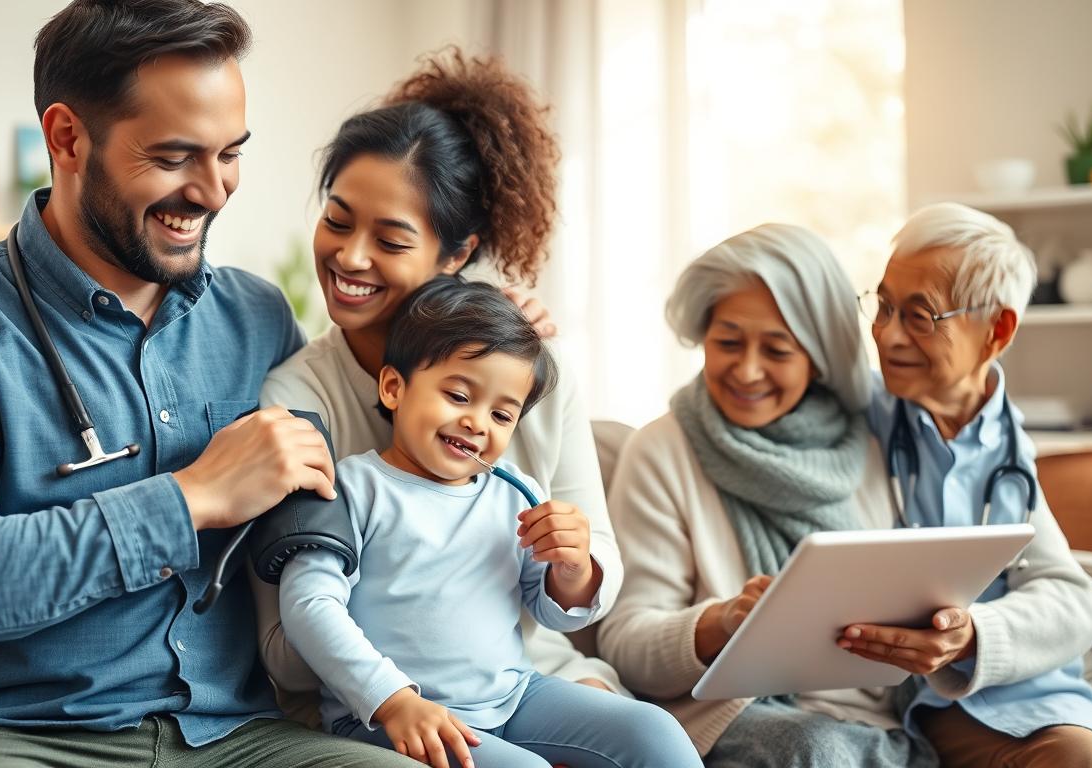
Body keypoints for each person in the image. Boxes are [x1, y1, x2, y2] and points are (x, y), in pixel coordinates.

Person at [0, 2, 416, 766]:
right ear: (67, 137)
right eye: (176, 156)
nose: (214, 191)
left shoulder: (255, 318)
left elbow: (390, 451)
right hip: (15, 737)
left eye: (230, 154)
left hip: (239, 738)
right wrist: (190, 499)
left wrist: (475, 328)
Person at [257, 47, 624, 703]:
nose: (351, 256)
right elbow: (286, 650)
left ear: (456, 254)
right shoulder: (296, 399)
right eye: (336, 220)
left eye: (391, 240)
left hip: (538, 675)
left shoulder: (535, 366)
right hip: (388, 698)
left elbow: (591, 576)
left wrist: (574, 565)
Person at [279, 275, 701, 768]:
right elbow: (309, 604)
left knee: (652, 729)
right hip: (391, 715)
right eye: (458, 397)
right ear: (393, 387)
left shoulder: (513, 491)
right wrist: (394, 701)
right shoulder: (350, 489)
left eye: (502, 416)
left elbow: (550, 609)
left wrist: (572, 571)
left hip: (517, 696)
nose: (478, 423)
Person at [596, 224, 938, 767]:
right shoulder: (662, 449)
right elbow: (626, 643)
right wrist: (725, 621)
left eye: (777, 350)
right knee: (817, 749)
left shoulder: (875, 434)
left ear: (819, 356)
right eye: (727, 342)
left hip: (873, 713)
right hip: (729, 713)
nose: (747, 370)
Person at [854, 202, 1092, 767]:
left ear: (997, 331)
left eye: (920, 316)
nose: (887, 335)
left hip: (1025, 686)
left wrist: (974, 631)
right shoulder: (860, 413)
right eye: (883, 306)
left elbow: (1075, 597)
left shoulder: (1006, 443)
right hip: (924, 698)